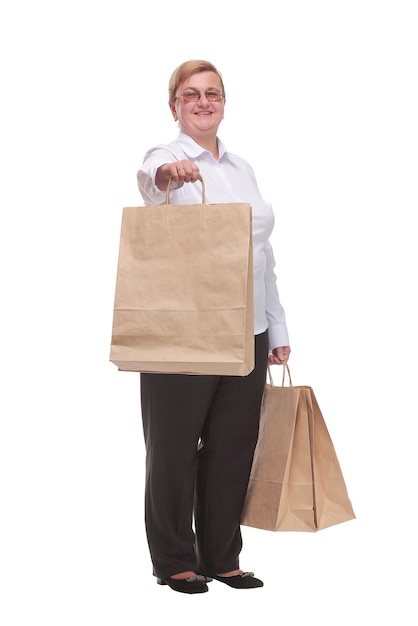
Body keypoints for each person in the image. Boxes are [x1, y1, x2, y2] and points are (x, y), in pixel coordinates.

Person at [136, 60, 291, 594]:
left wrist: (276, 328)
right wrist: (167, 176)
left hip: (244, 332)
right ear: (174, 105)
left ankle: (222, 556)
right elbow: (150, 181)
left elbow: (262, 253)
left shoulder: (243, 168)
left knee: (232, 448)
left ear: (223, 102)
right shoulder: (168, 156)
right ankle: (174, 559)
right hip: (185, 331)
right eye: (191, 95)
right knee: (174, 450)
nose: (204, 102)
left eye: (213, 94)